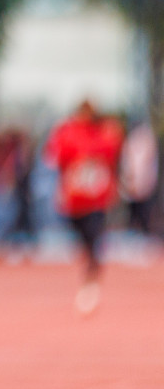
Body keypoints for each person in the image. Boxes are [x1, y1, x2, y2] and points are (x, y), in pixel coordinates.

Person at [45, 100, 124, 314]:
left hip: (96, 198)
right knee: (82, 240)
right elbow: (57, 156)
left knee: (93, 239)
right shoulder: (68, 132)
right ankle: (90, 276)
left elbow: (111, 154)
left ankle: (91, 283)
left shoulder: (102, 133)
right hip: (75, 199)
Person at [119, 115, 157, 236]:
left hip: (144, 185)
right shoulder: (131, 139)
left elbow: (145, 165)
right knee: (133, 215)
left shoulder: (145, 138)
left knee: (144, 214)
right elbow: (127, 164)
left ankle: (145, 234)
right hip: (133, 185)